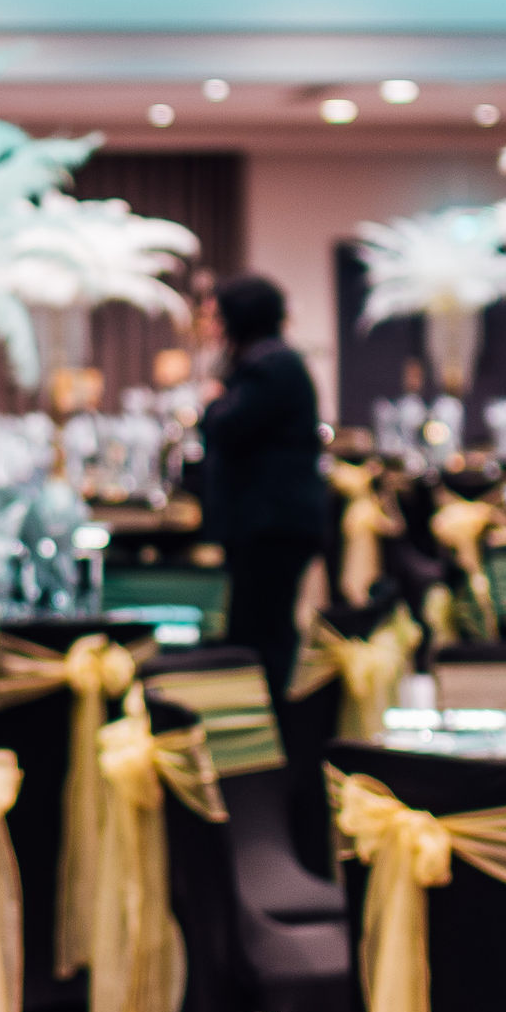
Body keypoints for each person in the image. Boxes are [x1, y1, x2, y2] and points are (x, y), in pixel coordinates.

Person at [194, 274, 330, 702]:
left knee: (261, 631)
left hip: (270, 524)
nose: (213, 327)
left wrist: (212, 399)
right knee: (262, 626)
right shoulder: (276, 361)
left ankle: (272, 728)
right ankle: (271, 725)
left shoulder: (268, 365)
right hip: (274, 522)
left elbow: (224, 426)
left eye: (218, 317)